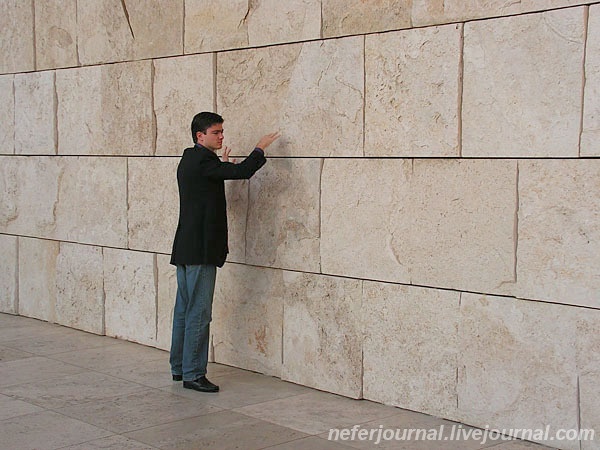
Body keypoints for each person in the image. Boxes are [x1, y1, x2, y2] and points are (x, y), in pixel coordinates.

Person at [169, 111, 280, 392]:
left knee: (184, 309)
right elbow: (242, 172)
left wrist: (222, 167)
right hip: (201, 250)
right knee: (198, 312)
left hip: (187, 248)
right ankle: (194, 373)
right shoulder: (203, 162)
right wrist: (260, 148)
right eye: (216, 132)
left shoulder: (192, 160)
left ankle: (180, 368)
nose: (221, 136)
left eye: (221, 131)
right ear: (200, 136)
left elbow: (215, 179)